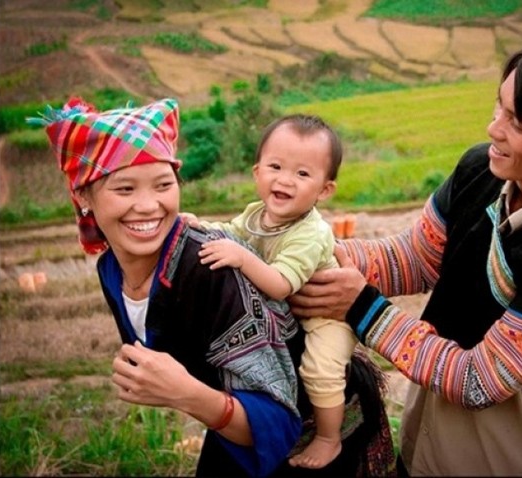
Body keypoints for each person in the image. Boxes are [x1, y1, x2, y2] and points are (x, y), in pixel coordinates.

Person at [288, 39, 522, 476]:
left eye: (519, 122)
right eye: (499, 107)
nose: (494, 129)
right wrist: (319, 253)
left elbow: (477, 380)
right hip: (432, 411)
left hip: (516, 441)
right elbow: (417, 258)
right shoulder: (482, 169)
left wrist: (361, 307)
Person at [29, 98, 396, 477]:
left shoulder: (210, 269)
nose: (147, 205)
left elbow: (276, 417)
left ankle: (330, 435)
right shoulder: (110, 267)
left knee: (322, 370)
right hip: (233, 432)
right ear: (83, 196)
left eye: (163, 185)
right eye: (125, 189)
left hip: (301, 440)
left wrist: (185, 392)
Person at [187, 114, 359, 469]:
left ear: (324, 190)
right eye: (276, 166)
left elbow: (281, 284)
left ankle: (329, 438)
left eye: (302, 174)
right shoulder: (256, 214)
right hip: (287, 315)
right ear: (257, 172)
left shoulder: (311, 233)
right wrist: (200, 227)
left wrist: (240, 257)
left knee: (320, 369)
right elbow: (229, 233)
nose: (285, 180)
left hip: (325, 316)